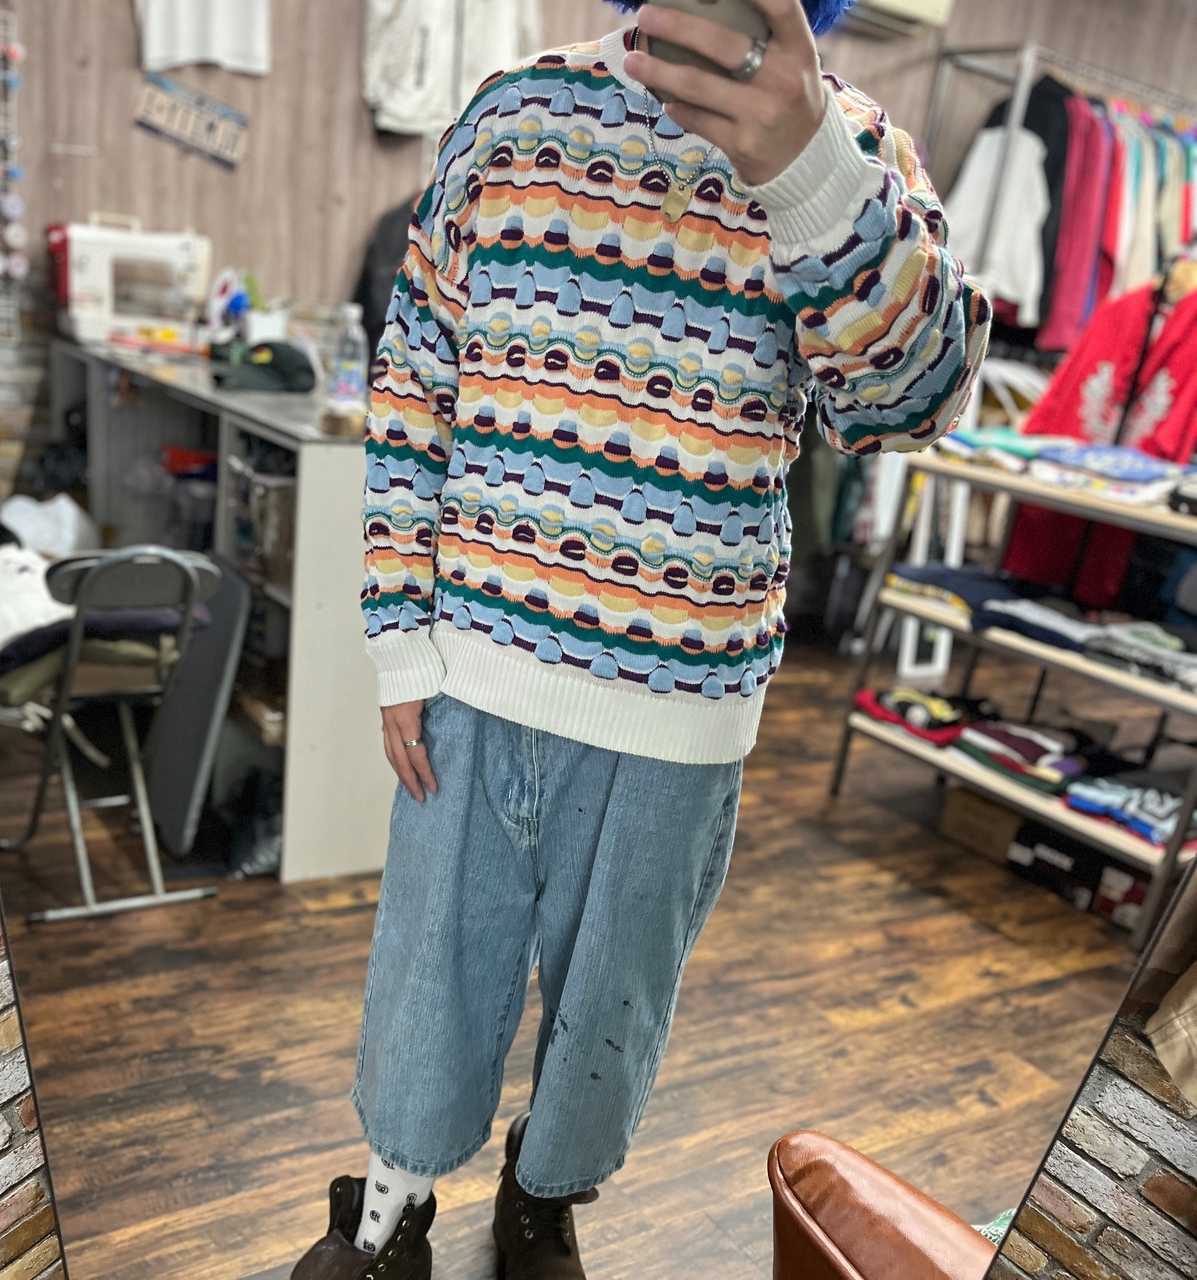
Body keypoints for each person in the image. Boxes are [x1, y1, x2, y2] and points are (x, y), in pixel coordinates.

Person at [293, 1, 991, 1276]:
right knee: (426, 984)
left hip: (683, 703)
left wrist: (810, 172)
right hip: (473, 671)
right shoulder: (510, 116)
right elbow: (413, 384)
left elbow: (913, 404)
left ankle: (541, 1196)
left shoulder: (853, 150)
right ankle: (389, 1210)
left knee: (612, 1006)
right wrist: (399, 636)